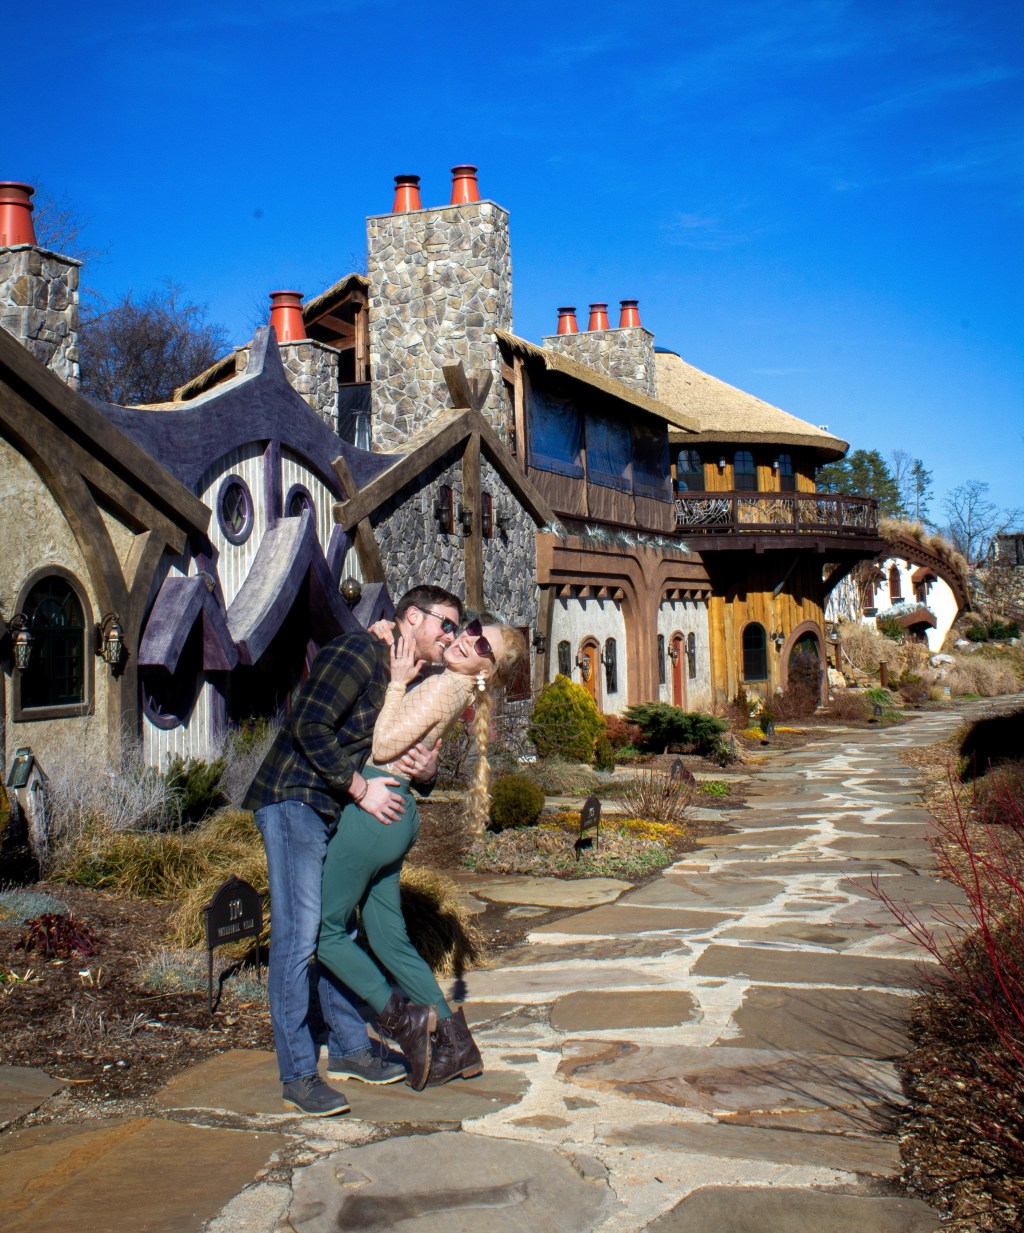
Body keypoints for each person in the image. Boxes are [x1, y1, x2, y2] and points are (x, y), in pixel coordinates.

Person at [243, 585, 464, 1116]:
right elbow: (308, 724)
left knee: (332, 929)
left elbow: (391, 751)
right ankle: (298, 1074)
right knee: (299, 940)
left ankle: (349, 1049)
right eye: (446, 625)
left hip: (331, 807)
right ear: (412, 617)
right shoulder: (357, 651)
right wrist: (360, 790)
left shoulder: (399, 675)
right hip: (294, 799)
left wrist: (427, 770)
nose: (451, 636)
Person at [317, 619, 527, 1090]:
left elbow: (385, 744)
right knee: (390, 938)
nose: (465, 639)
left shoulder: (442, 689)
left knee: (323, 931)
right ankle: (456, 1043)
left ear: (485, 670)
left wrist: (394, 685)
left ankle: (402, 1021)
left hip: (377, 808)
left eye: (480, 645)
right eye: (471, 628)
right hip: (400, 809)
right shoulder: (453, 689)